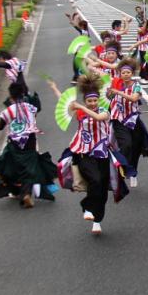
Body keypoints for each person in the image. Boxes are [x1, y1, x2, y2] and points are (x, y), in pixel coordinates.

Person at [50, 74, 121, 235]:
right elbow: (64, 101)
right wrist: (55, 88)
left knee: (101, 189)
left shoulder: (104, 111)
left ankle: (97, 221)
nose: (93, 103)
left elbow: (97, 117)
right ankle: (88, 208)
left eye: (95, 100)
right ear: (85, 100)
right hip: (83, 153)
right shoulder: (80, 113)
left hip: (102, 153)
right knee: (94, 180)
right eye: (89, 101)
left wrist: (82, 107)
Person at [0, 85, 57, 209]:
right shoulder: (31, 107)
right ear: (23, 94)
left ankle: (18, 191)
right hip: (30, 140)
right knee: (29, 166)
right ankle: (26, 193)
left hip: (15, 142)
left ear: (10, 96)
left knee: (11, 164)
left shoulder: (8, 111)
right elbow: (34, 117)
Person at [107, 58, 148, 188]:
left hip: (133, 120)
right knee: (126, 145)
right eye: (123, 73)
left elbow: (134, 98)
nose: (125, 74)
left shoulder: (136, 85)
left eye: (128, 72)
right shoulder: (116, 83)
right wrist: (109, 92)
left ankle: (133, 172)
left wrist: (118, 92)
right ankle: (123, 170)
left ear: (132, 73)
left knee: (136, 148)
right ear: (120, 73)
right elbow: (109, 98)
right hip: (119, 120)